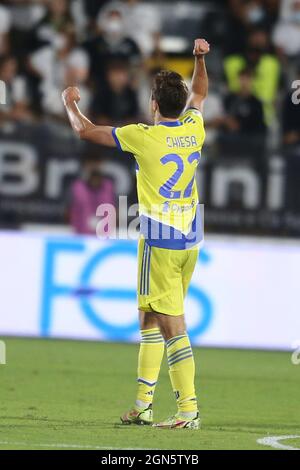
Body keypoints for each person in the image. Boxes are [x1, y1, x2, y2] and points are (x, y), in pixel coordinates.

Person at [62, 38, 209, 430]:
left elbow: (86, 131)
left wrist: (69, 102)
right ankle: (143, 406)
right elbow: (200, 90)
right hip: (190, 237)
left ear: (154, 104)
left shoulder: (144, 136)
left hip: (159, 240)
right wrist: (199, 59)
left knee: (170, 324)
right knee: (149, 317)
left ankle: (188, 410)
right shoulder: (194, 128)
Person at [68, 158, 116, 236]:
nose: (94, 167)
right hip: (81, 236)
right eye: (91, 165)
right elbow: (68, 212)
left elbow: (115, 211)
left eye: (97, 164)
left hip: (105, 237)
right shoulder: (77, 187)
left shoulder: (108, 187)